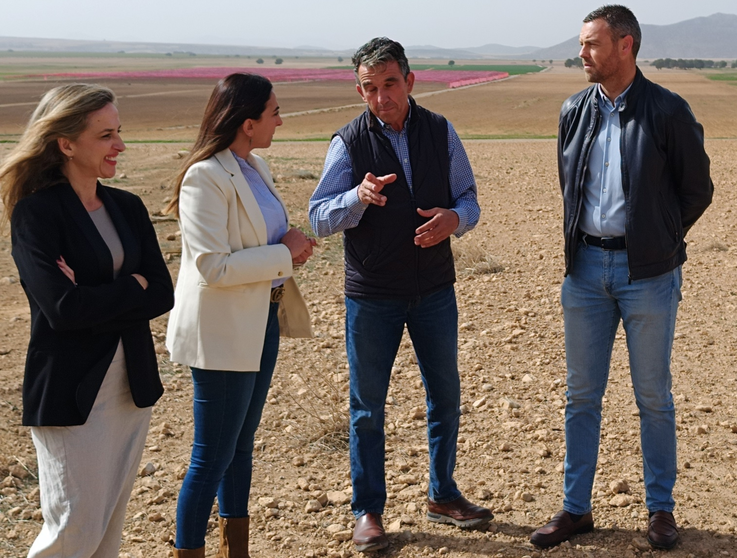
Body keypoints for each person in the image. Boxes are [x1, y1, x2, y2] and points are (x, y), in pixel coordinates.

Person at [530, 5, 713, 550]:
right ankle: (575, 509)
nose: (581, 53)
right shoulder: (573, 110)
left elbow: (696, 190)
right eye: (582, 44)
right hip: (584, 271)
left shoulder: (668, 110)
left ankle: (660, 510)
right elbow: (570, 185)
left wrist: (657, 237)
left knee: (652, 396)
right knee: (581, 396)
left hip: (648, 275)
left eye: (591, 44)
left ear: (625, 45)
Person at [308, 37, 489, 552]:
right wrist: (357, 197)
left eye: (390, 84)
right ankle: (368, 510)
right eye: (370, 88)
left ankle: (443, 493)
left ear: (410, 81)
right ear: (360, 91)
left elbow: (468, 196)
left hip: (433, 289)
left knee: (445, 396)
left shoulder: (439, 131)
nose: (381, 97)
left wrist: (454, 219)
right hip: (373, 295)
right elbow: (319, 216)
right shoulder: (347, 142)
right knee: (367, 407)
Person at [2, 83, 174, 557]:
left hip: (129, 386)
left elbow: (162, 292)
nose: (119, 145)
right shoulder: (37, 214)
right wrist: (128, 288)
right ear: (66, 143)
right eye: (105, 135)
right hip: (71, 392)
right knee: (73, 530)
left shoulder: (127, 207)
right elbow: (61, 310)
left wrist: (96, 295)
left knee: (106, 533)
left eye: (118, 132)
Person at [165, 73, 315, 558]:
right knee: (210, 457)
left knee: (241, 446)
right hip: (223, 332)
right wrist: (283, 253)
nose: (280, 119)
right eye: (274, 112)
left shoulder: (256, 166)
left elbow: (260, 235)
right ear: (248, 123)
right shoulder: (204, 177)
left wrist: (289, 243)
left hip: (262, 322)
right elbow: (211, 266)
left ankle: (237, 550)